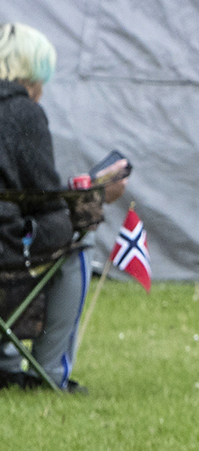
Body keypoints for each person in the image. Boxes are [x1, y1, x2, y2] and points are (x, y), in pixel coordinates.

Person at [0, 22, 124, 393]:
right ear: (34, 73)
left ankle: (5, 362)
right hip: (5, 255)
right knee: (77, 242)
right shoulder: (22, 112)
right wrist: (98, 195)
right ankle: (50, 373)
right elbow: (46, 202)